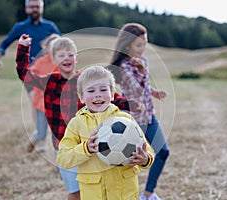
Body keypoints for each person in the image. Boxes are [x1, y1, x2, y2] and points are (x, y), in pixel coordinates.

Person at [16, 35, 144, 200]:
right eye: (61, 55)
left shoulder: (84, 81)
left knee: (92, 189)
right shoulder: (50, 82)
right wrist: (23, 49)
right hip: (64, 145)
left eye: (70, 54)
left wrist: (131, 104)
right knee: (75, 193)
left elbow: (110, 96)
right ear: (53, 59)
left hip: (90, 144)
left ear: (76, 58)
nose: (66, 58)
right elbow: (24, 74)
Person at [56, 65, 155, 200]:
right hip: (94, 193)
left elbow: (148, 152)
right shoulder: (76, 124)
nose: (98, 94)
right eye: (91, 90)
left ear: (113, 93)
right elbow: (63, 159)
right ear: (81, 97)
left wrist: (145, 160)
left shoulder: (126, 120)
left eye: (103, 89)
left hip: (124, 192)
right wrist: (85, 149)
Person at [108, 23, 170, 200]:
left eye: (145, 44)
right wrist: (142, 71)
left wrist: (154, 93)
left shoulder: (144, 61)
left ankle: (148, 194)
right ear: (128, 45)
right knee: (127, 162)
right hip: (132, 121)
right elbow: (136, 90)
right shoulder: (123, 66)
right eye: (139, 45)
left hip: (149, 116)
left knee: (163, 152)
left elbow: (145, 87)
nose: (143, 49)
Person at [0, 0, 61, 147]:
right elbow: (3, 44)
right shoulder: (20, 27)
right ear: (26, 8)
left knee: (49, 103)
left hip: (49, 74)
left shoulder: (50, 27)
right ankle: (40, 137)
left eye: (37, 6)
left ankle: (44, 132)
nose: (34, 9)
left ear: (42, 8)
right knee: (36, 100)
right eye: (31, 6)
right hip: (29, 74)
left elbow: (62, 44)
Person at [27, 33, 60, 153]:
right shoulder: (41, 62)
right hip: (42, 104)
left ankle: (60, 162)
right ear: (47, 48)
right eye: (52, 46)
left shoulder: (62, 62)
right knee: (41, 133)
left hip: (57, 105)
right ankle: (34, 140)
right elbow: (29, 75)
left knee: (59, 134)